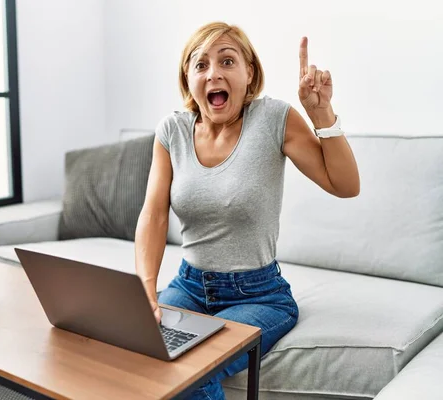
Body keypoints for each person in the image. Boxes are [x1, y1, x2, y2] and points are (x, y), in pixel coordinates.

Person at [134, 21, 360, 400]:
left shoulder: (274, 119)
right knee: (140, 354)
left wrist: (321, 114)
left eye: (227, 61)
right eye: (201, 64)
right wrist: (145, 288)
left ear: (249, 71)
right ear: (187, 77)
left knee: (191, 370)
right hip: (188, 287)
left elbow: (345, 186)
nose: (214, 73)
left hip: (259, 296)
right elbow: (153, 215)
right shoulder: (171, 131)